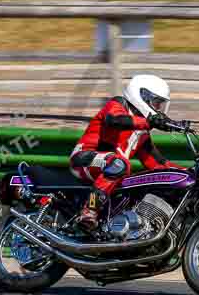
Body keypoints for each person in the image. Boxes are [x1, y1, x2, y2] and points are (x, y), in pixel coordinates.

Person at [69, 74, 185, 230]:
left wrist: (189, 173)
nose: (158, 109)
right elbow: (115, 120)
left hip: (109, 169)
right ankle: (89, 210)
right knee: (120, 164)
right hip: (83, 159)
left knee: (135, 181)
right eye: (156, 103)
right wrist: (149, 121)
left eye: (161, 105)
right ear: (142, 96)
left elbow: (158, 164)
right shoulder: (118, 104)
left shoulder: (142, 133)